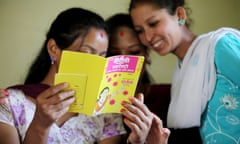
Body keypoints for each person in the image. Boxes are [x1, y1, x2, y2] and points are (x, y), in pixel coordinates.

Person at [0, 7, 170, 144]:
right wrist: (40, 124)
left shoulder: (105, 114)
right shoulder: (8, 103)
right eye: (86, 53)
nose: (97, 65)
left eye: (103, 56)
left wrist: (137, 142)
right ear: (54, 49)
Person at [128, 0, 240, 144]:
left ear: (180, 15)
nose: (148, 37)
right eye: (140, 31)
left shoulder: (220, 46)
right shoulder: (182, 73)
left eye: (153, 23)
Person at [105, 13, 152, 96]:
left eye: (134, 52)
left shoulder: (167, 96)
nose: (124, 63)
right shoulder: (93, 99)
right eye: (114, 54)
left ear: (147, 53)